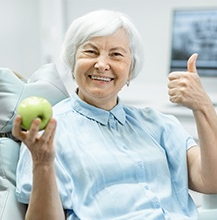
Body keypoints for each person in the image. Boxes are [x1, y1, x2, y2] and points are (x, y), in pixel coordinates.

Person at [12, 9, 217, 220]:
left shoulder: (159, 124)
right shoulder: (48, 134)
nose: (101, 64)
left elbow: (211, 181)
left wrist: (203, 106)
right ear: (73, 63)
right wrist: (42, 162)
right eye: (90, 52)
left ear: (130, 69)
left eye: (116, 54)